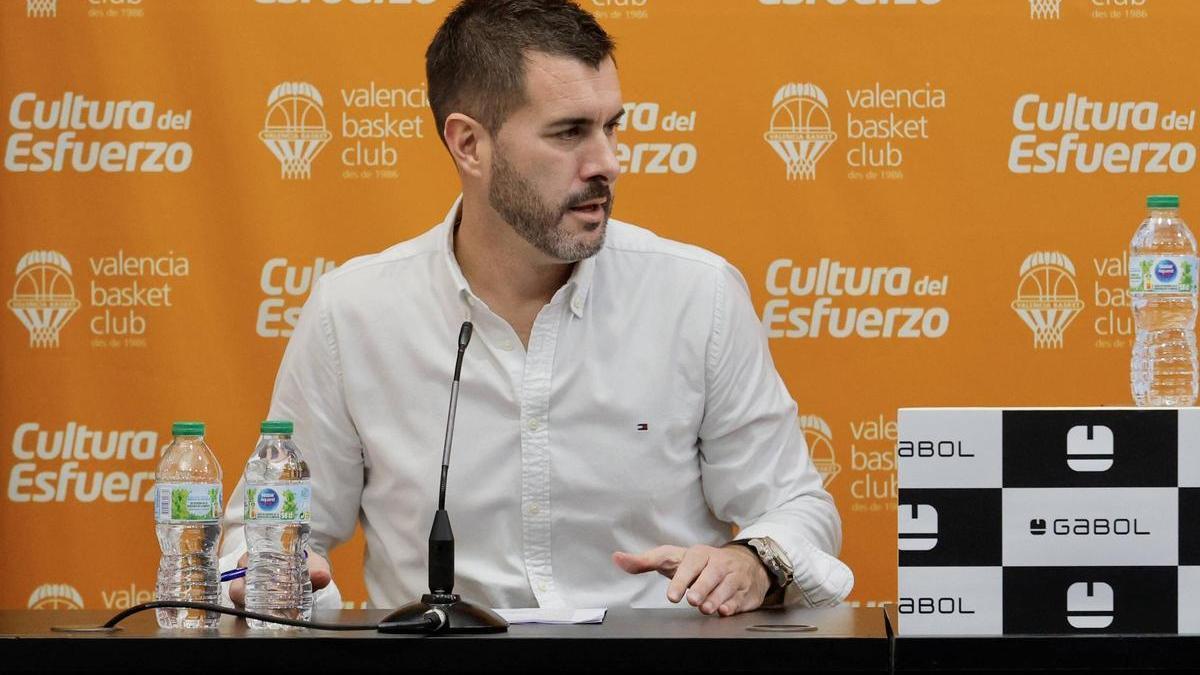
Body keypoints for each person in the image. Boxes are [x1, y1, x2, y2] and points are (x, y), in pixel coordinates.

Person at [220, 0, 852, 617]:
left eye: (611, 126)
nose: (608, 161)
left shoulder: (697, 294)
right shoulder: (353, 313)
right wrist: (281, 581)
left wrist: (753, 561)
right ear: (469, 144)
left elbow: (797, 507)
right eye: (570, 132)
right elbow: (261, 535)